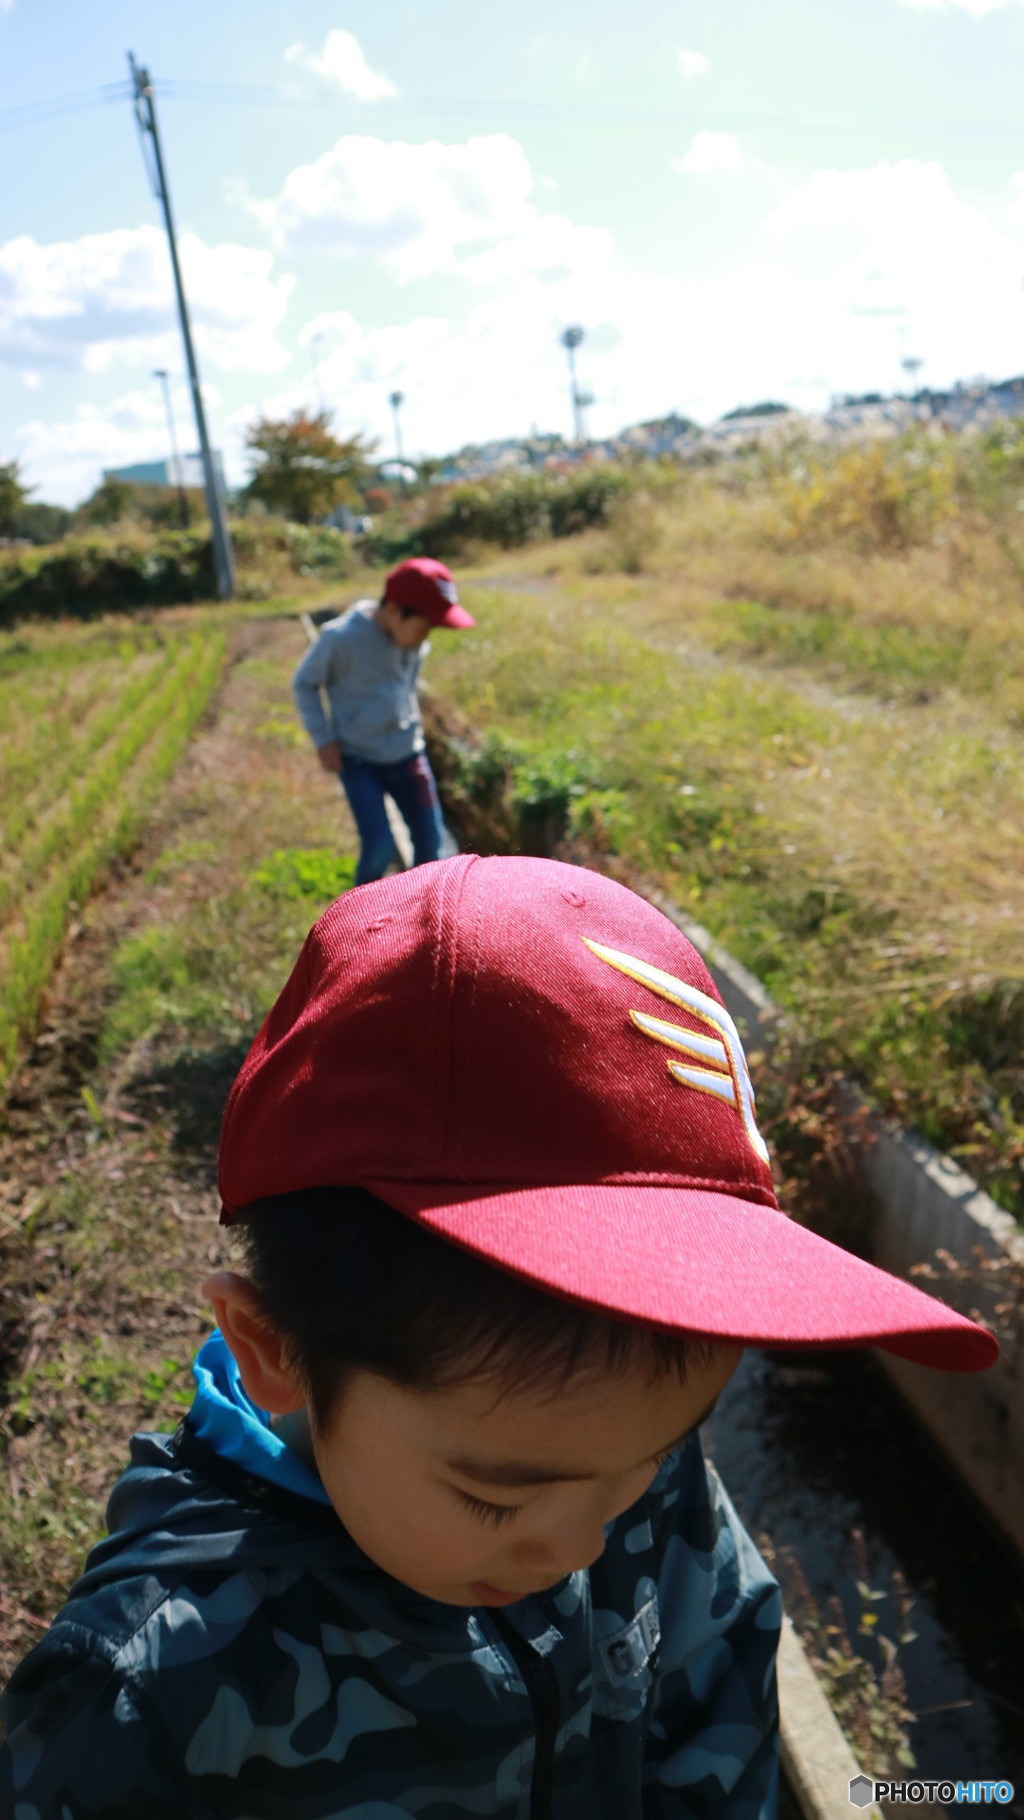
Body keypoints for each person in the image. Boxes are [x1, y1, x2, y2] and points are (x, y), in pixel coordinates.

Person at [0, 856, 997, 1820]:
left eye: (647, 1461)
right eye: (491, 1497)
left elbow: (720, 1674)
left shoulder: (619, 1470)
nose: (579, 1543)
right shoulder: (152, 1686)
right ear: (275, 1350)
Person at [292, 556, 474, 888]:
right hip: (359, 760)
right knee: (379, 846)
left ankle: (422, 919)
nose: (425, 637)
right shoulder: (341, 640)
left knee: (431, 847)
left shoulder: (414, 641)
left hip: (408, 753)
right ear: (393, 611)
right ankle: (358, 914)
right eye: (422, 627)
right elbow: (304, 683)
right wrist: (323, 739)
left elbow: (405, 684)